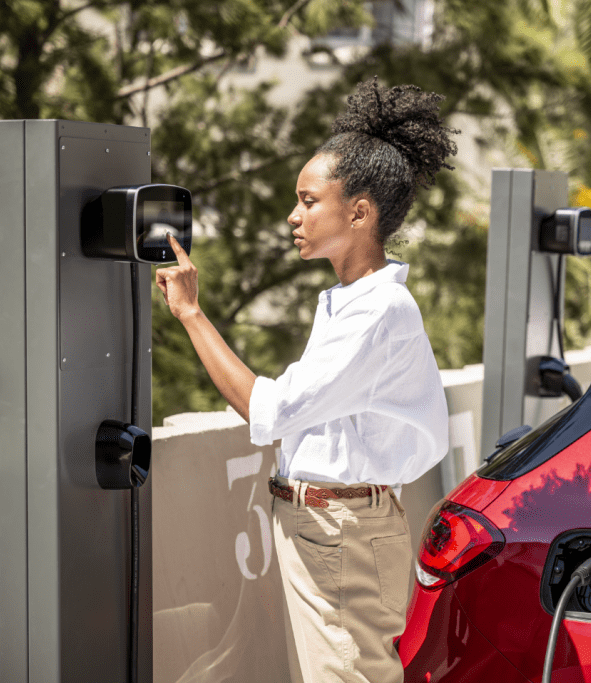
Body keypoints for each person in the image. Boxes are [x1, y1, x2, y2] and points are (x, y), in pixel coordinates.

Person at [155, 78, 458, 683]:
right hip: (321, 526)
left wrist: (191, 313)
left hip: (338, 535)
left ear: (359, 212)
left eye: (308, 200)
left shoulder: (377, 313)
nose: (294, 215)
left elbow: (269, 409)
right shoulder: (351, 304)